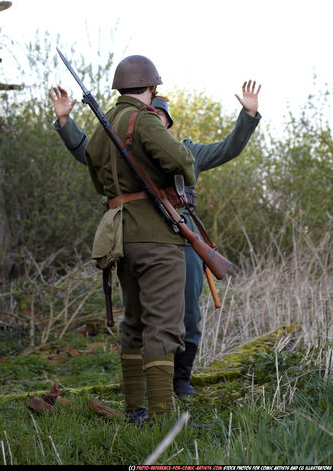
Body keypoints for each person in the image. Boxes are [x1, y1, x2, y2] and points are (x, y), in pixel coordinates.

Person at [51, 76, 261, 398]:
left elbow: (228, 148)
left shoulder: (186, 151)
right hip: (143, 237)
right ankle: (151, 392)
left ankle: (181, 381)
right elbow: (88, 152)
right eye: (151, 115)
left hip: (183, 237)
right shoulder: (122, 146)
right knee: (140, 318)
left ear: (165, 124)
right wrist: (66, 122)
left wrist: (247, 117)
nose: (153, 120)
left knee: (188, 312)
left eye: (159, 118)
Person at [50, 55, 196, 423]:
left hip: (121, 237)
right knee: (163, 326)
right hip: (157, 238)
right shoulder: (144, 120)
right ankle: (164, 421)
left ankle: (136, 412)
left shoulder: (103, 129)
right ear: (151, 88)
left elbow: (99, 181)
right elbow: (181, 161)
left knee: (134, 323)